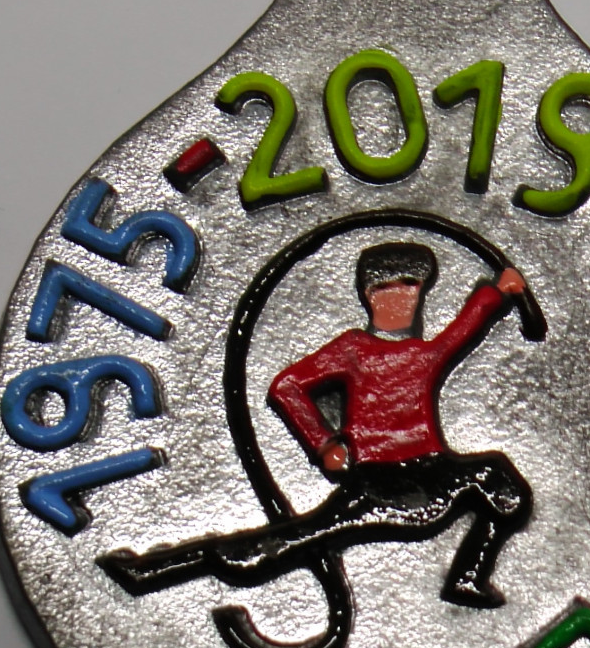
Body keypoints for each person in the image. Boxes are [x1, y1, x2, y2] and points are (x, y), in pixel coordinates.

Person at [103, 243, 532, 607]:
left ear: (419, 293)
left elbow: (462, 330)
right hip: (377, 483)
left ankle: (467, 577)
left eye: (409, 287)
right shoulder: (353, 348)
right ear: (368, 295)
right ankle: (152, 570)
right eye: (386, 289)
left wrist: (498, 293)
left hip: (433, 473)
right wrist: (324, 443)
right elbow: (287, 386)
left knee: (500, 482)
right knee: (279, 546)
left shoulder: (424, 352)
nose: (399, 299)